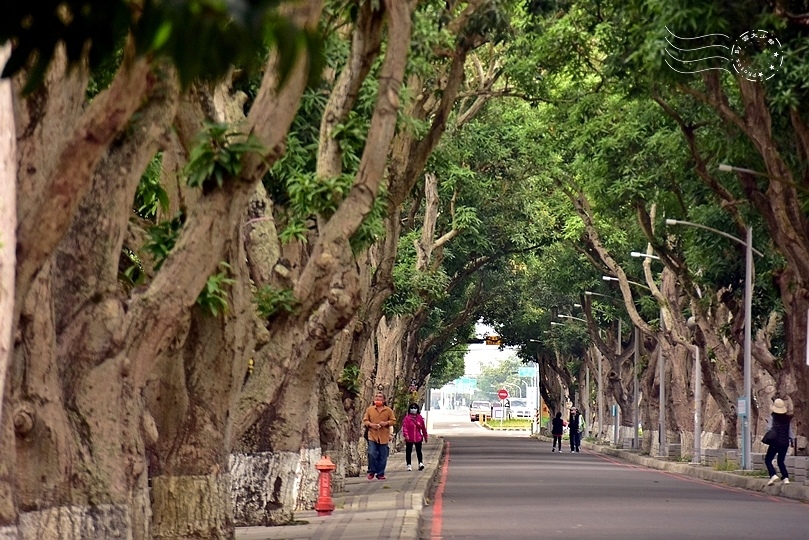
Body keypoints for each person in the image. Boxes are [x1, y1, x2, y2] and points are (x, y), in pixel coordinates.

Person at [363, 392, 396, 480]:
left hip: (384, 436)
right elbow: (365, 420)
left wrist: (386, 423)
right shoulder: (370, 410)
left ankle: (380, 473)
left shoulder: (388, 410)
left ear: (384, 400)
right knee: (371, 453)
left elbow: (393, 421)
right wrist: (371, 425)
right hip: (372, 435)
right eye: (376, 397)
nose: (378, 398)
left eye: (380, 397)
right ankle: (372, 471)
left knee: (383, 456)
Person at [764, 398, 794, 486]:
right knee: (781, 461)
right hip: (785, 443)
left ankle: (773, 475)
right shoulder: (787, 419)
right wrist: (792, 440)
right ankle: (785, 477)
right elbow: (790, 432)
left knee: (768, 459)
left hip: (775, 442)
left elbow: (769, 428)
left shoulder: (772, 417)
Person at [401, 402, 428, 471]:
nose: (413, 409)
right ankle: (409, 465)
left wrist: (425, 436)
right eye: (412, 408)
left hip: (418, 437)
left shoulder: (420, 418)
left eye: (415, 408)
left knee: (419, 451)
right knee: (408, 451)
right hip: (409, 438)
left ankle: (420, 463)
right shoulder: (407, 418)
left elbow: (423, 428)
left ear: (417, 409)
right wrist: (406, 435)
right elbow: (405, 427)